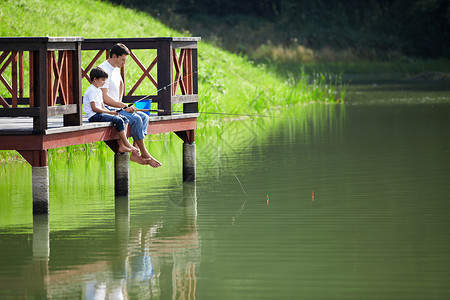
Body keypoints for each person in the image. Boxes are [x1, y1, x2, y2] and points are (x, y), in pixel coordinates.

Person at [99, 43, 161, 168]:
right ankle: (144, 153)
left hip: (118, 107)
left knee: (144, 117)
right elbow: (104, 98)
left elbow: (120, 87)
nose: (124, 63)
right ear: (114, 56)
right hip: (108, 109)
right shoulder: (103, 70)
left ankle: (132, 150)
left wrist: (124, 106)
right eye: (122, 60)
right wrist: (123, 107)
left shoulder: (115, 68)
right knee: (136, 119)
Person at [83, 67, 139, 154]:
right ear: (95, 79)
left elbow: (102, 106)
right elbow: (95, 109)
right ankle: (127, 144)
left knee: (124, 119)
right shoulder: (91, 90)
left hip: (100, 113)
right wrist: (110, 112)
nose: (104, 82)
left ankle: (122, 145)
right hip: (94, 115)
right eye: (102, 80)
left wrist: (113, 113)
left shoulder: (98, 91)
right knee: (119, 120)